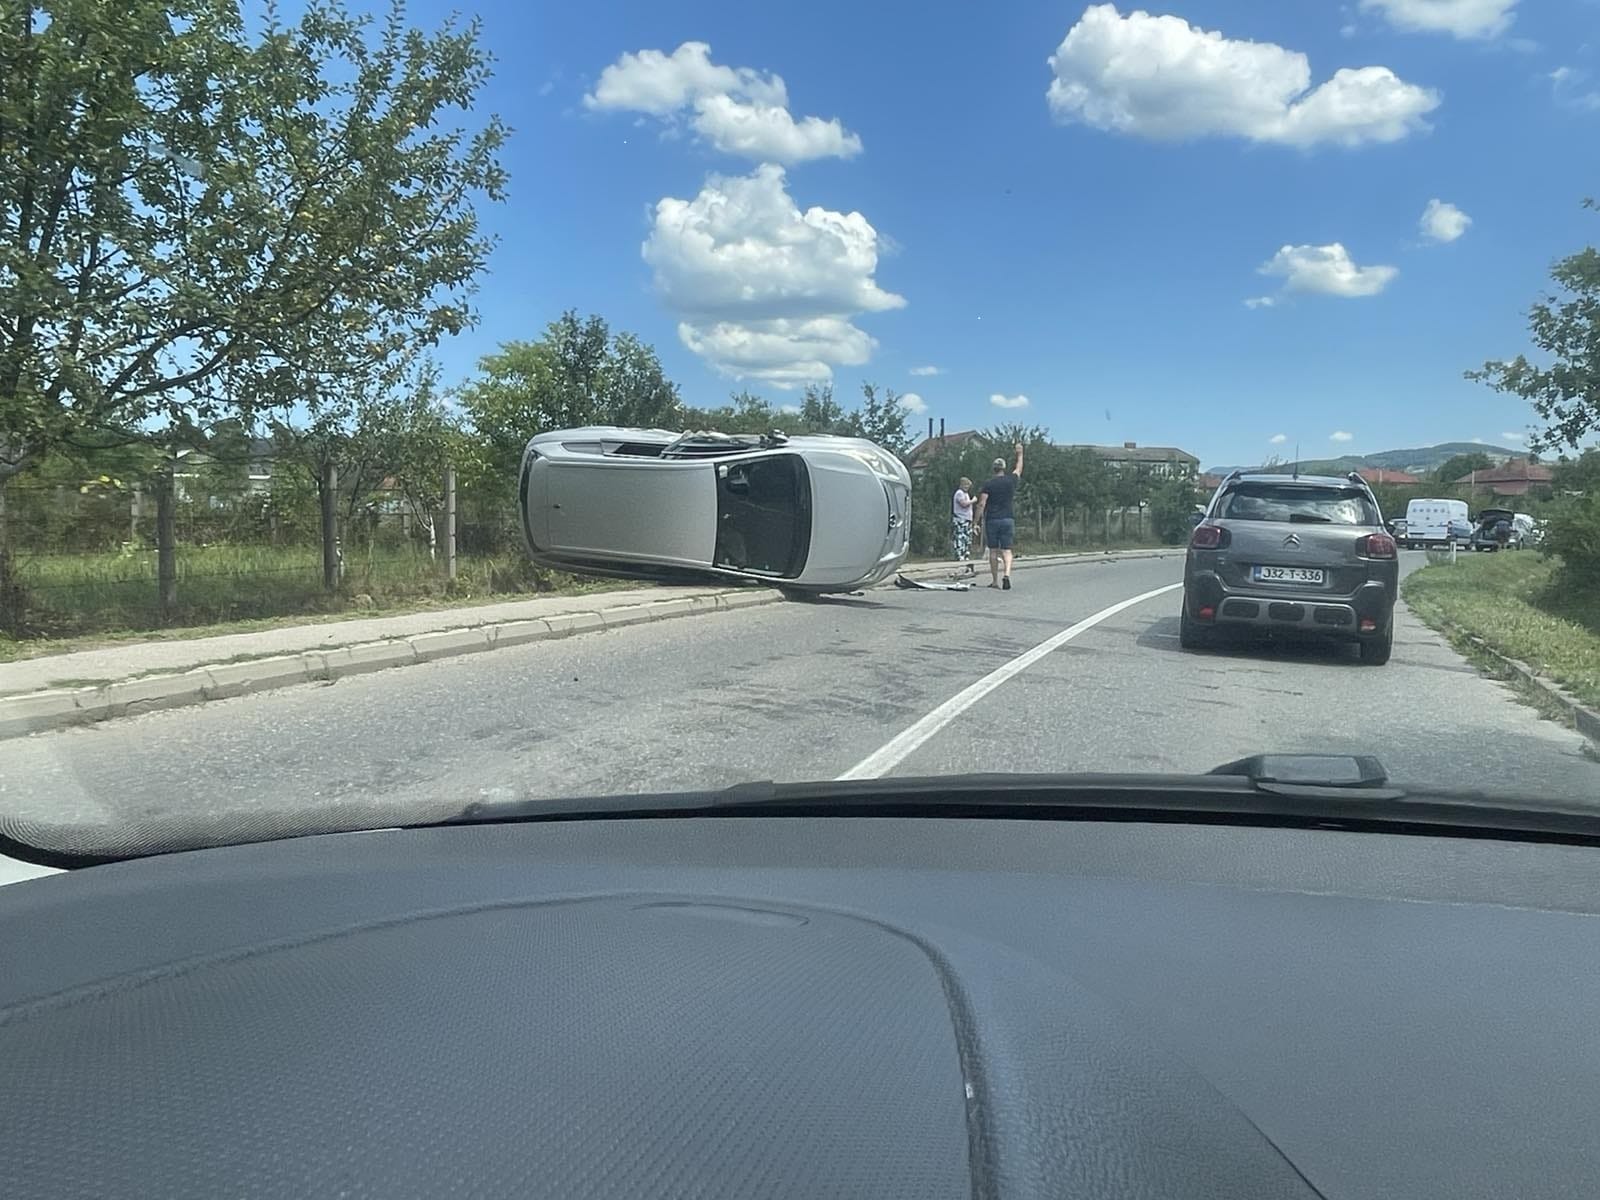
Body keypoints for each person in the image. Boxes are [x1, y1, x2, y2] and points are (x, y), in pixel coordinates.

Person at [973, 443, 1023, 589]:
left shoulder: (988, 484)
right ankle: (1006, 574)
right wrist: (1020, 454)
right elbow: (1019, 469)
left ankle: (995, 581)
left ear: (993, 468)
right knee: (1007, 550)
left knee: (993, 550)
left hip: (992, 520)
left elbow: (981, 504)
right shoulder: (1010, 481)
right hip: (1008, 518)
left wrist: (975, 522)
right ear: (1004, 468)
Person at [951, 477, 975, 560]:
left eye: (968, 486)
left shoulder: (966, 494)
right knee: (960, 537)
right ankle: (959, 554)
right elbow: (963, 504)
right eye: (966, 485)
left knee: (967, 538)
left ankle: (965, 554)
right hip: (960, 518)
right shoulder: (959, 493)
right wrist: (973, 501)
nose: (967, 487)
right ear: (962, 485)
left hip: (967, 519)